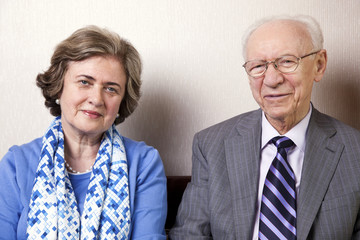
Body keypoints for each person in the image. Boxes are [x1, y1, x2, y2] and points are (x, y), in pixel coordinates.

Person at [169, 15, 360, 239]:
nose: (271, 79)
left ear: (319, 65)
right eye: (258, 66)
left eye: (287, 61)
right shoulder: (211, 145)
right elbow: (190, 234)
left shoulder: (354, 151)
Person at [0, 25, 167, 239]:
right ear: (59, 86)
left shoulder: (143, 163)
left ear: (122, 100)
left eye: (111, 88)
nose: (97, 99)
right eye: (84, 82)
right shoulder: (16, 165)